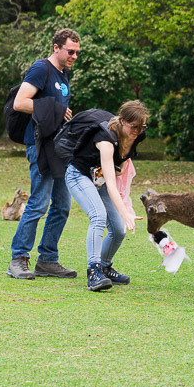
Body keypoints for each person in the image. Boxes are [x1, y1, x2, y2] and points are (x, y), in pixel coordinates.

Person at [7, 28, 81, 280]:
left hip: (59, 147)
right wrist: (56, 109)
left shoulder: (63, 74)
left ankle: (48, 259)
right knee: (39, 202)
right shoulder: (41, 69)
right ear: (56, 47)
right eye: (70, 51)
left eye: (77, 53)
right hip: (39, 146)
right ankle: (18, 258)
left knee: (62, 204)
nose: (74, 56)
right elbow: (20, 102)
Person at [65, 101, 149, 291]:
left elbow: (120, 167)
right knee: (98, 216)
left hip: (98, 178)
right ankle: (93, 271)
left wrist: (119, 170)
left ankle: (104, 266)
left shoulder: (137, 135)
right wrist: (125, 212)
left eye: (141, 127)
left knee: (118, 230)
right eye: (133, 127)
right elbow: (111, 184)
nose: (137, 131)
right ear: (122, 121)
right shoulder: (105, 139)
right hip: (78, 175)